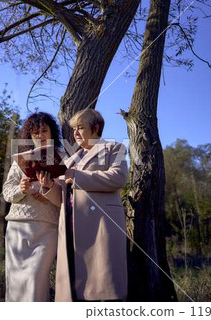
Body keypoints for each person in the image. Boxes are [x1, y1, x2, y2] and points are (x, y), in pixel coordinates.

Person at [37, 108, 128, 302]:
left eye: (81, 128)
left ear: (95, 128)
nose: (76, 133)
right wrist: (48, 186)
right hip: (70, 224)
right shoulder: (69, 159)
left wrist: (76, 176)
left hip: (101, 223)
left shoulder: (115, 148)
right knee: (73, 285)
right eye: (74, 129)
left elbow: (118, 178)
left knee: (102, 283)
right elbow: (61, 197)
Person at [2, 112, 63, 302]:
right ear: (29, 136)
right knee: (15, 281)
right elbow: (7, 192)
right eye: (35, 132)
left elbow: (66, 199)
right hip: (17, 226)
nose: (40, 135)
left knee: (36, 278)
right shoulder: (21, 159)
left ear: (52, 132)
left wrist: (48, 188)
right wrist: (21, 189)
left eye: (44, 130)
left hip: (47, 226)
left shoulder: (63, 158)